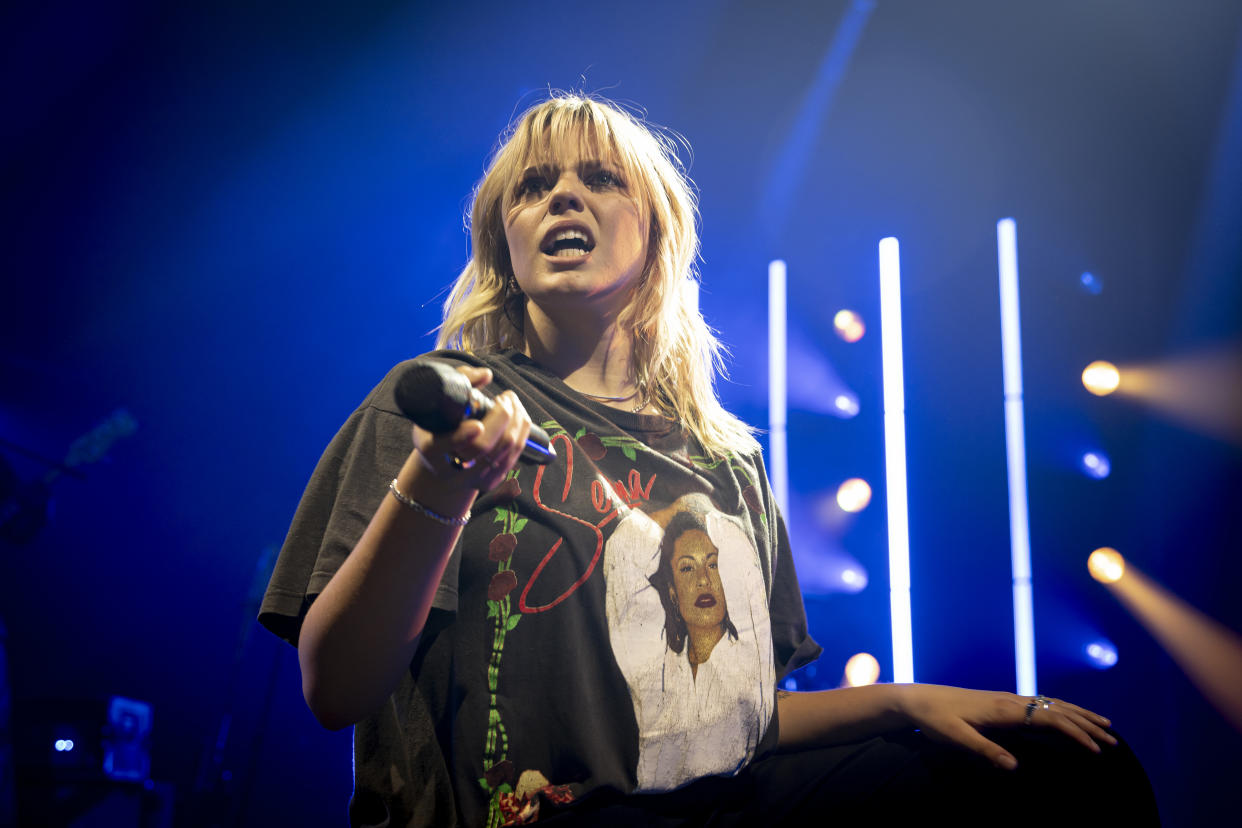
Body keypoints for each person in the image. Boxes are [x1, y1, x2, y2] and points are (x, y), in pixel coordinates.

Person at [259, 93, 1158, 827]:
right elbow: (337, 689)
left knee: (1067, 768)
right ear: (505, 240)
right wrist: (442, 481)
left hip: (715, 804)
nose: (562, 197)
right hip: (543, 818)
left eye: (599, 178)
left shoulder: (727, 456)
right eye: (534, 188)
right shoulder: (443, 400)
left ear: (655, 232)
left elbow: (730, 723)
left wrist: (900, 700)